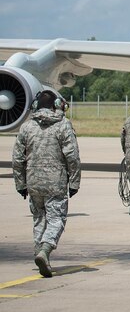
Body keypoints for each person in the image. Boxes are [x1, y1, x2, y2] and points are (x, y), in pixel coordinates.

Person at [12, 90, 81, 278]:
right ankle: (46, 249)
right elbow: (72, 157)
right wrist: (74, 182)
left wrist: (21, 183)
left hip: (33, 181)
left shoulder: (27, 127)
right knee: (56, 219)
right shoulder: (63, 125)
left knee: (39, 218)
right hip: (56, 182)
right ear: (57, 105)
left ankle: (39, 252)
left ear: (35, 105)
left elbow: (17, 158)